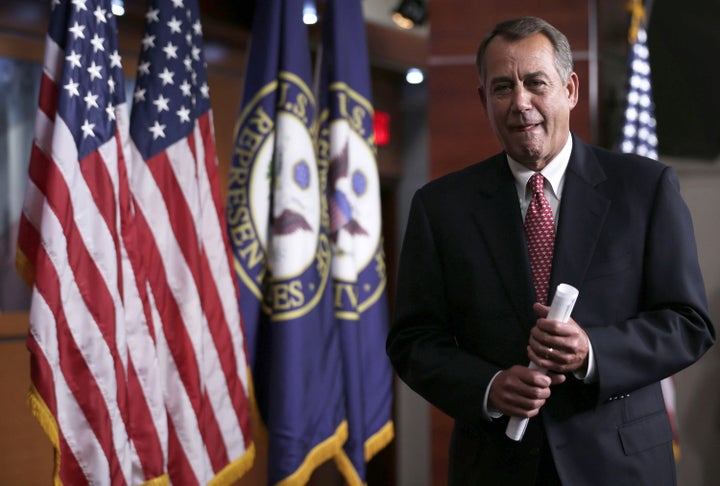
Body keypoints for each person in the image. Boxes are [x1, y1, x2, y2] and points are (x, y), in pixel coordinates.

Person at [386, 16, 716, 486]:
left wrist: (592, 352)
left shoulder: (645, 189)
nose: (521, 103)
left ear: (570, 89)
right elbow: (413, 341)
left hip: (620, 467)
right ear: (484, 100)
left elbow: (689, 323)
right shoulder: (440, 207)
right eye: (502, 88)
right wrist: (489, 387)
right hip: (497, 468)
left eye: (536, 83)